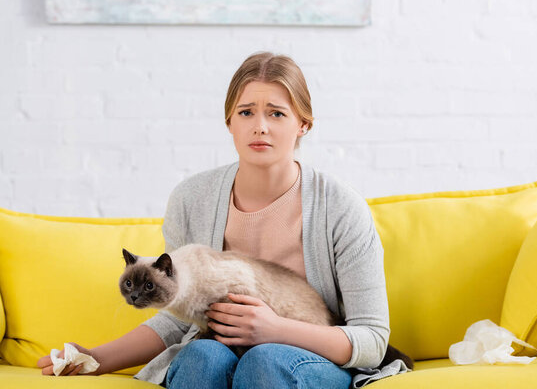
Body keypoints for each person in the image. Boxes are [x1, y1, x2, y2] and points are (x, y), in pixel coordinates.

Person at [37, 51, 391, 389]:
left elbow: (372, 338)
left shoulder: (342, 207)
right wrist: (95, 358)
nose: (260, 127)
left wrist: (274, 329)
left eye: (277, 114)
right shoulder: (191, 198)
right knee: (200, 358)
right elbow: (177, 313)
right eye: (247, 112)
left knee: (263, 361)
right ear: (229, 122)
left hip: (309, 358)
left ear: (304, 124)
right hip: (218, 349)